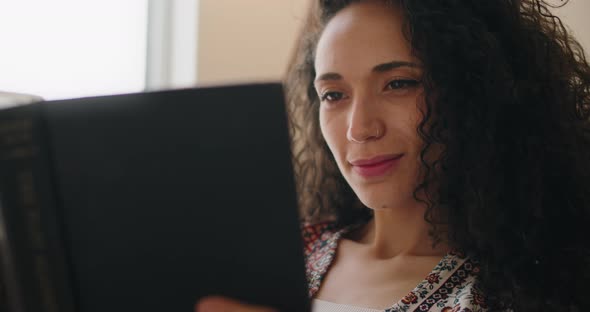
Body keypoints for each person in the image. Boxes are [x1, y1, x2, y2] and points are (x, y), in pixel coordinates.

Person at [197, 0, 590, 311]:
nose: (359, 128)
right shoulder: (281, 256)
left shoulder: (532, 290)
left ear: (476, 92)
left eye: (398, 84)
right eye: (334, 94)